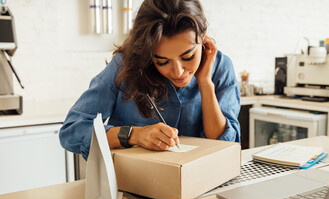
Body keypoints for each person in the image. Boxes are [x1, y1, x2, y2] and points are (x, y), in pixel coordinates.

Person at [59, 0, 241, 160]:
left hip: (202, 185)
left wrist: (205, 84)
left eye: (188, 57)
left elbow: (223, 143)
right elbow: (72, 131)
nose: (178, 72)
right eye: (162, 61)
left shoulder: (220, 66)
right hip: (135, 187)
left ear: (203, 37)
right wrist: (133, 135)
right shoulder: (124, 66)